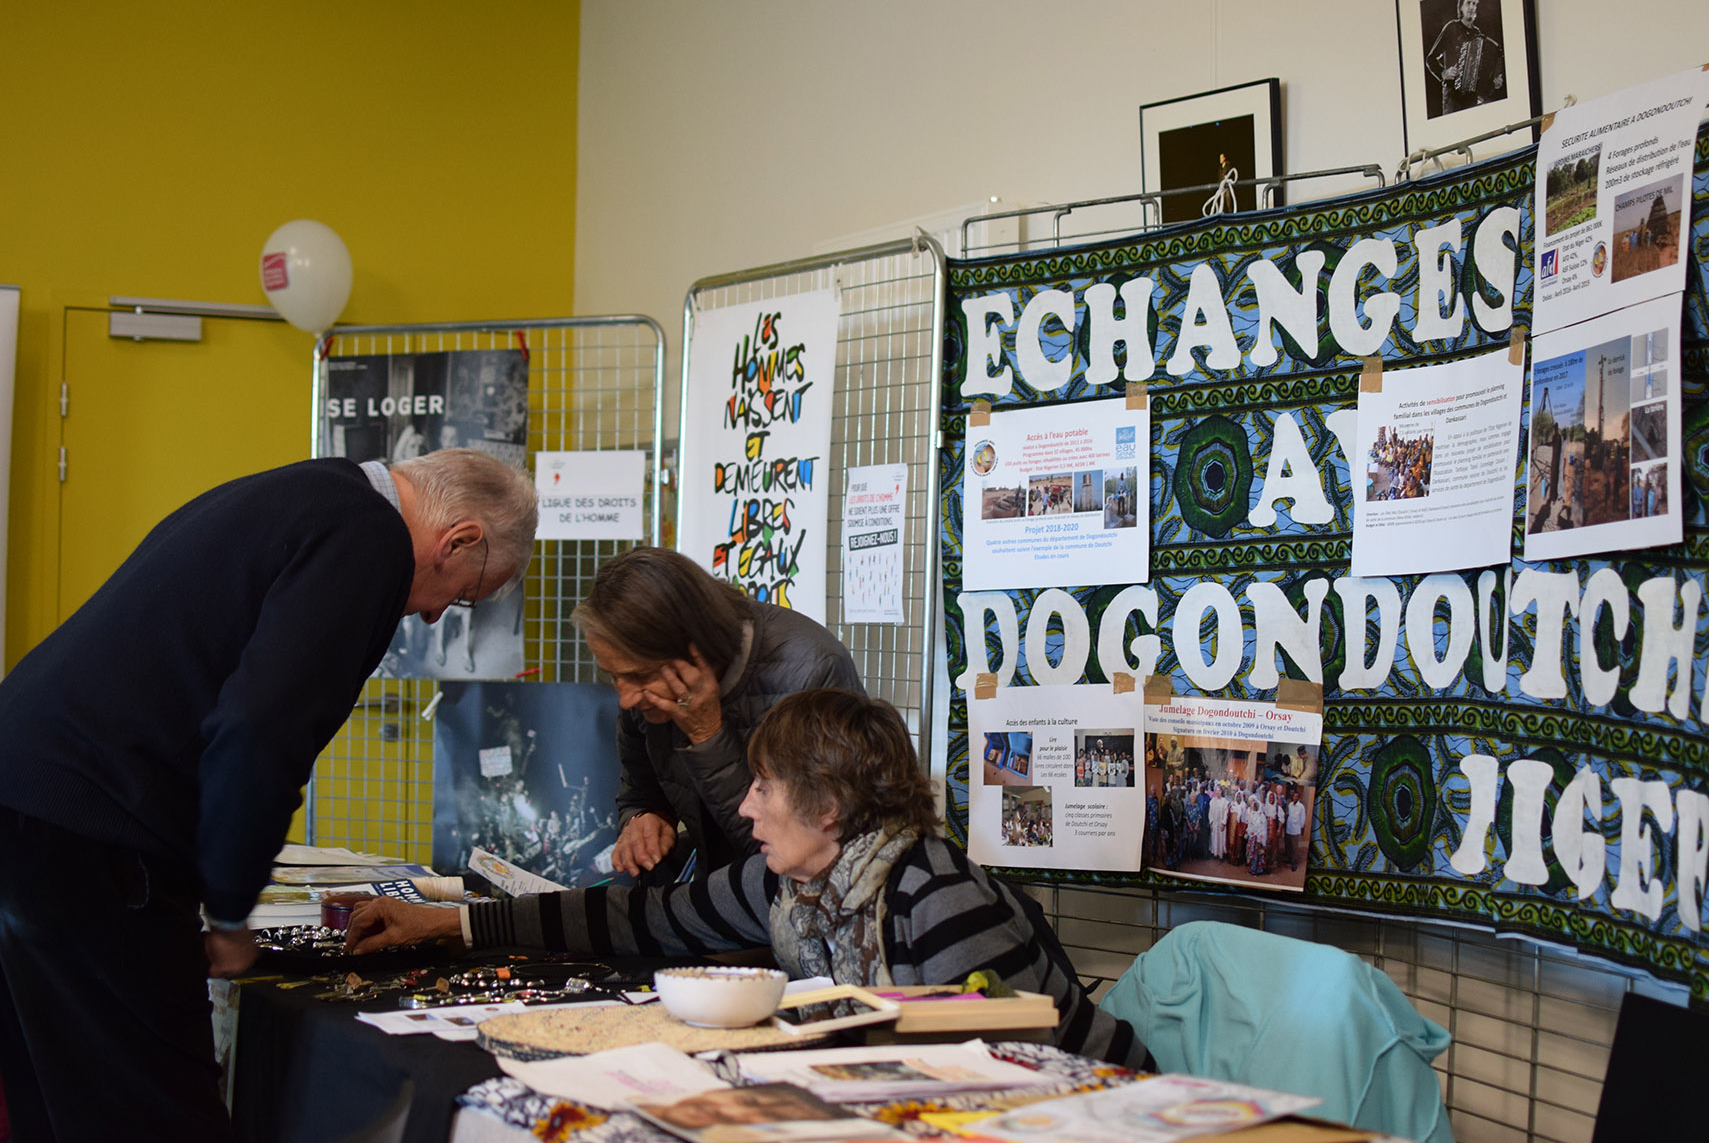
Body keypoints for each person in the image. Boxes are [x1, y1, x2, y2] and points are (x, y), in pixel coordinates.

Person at [0, 448, 538, 1141]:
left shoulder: (318, 489)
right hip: (93, 827)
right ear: (459, 538)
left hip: (29, 792)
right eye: (464, 595)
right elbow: (260, 733)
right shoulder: (368, 538)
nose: (436, 618)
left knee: (62, 1091)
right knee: (156, 1107)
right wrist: (227, 910)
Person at [347, 688, 1150, 1068]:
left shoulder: (935, 896)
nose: (746, 805)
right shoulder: (791, 885)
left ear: (828, 808)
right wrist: (450, 925)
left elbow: (1017, 1068)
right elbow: (633, 920)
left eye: (766, 786)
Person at [575, 548, 863, 882]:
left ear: (697, 648)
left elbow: (797, 861)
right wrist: (644, 818)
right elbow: (640, 792)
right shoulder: (645, 689)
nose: (625, 698)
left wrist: (708, 736)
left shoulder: (812, 673)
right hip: (718, 889)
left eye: (640, 676)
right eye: (613, 675)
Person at [1426, 0, 1505, 115]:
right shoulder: (1452, 27)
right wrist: (1443, 73)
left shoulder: (1478, 34)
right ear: (1461, 6)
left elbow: (1484, 68)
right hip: (1452, 97)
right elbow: (1430, 59)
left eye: (1474, 4)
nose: (1471, 7)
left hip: (1472, 99)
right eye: (1468, 3)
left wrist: (1494, 81)